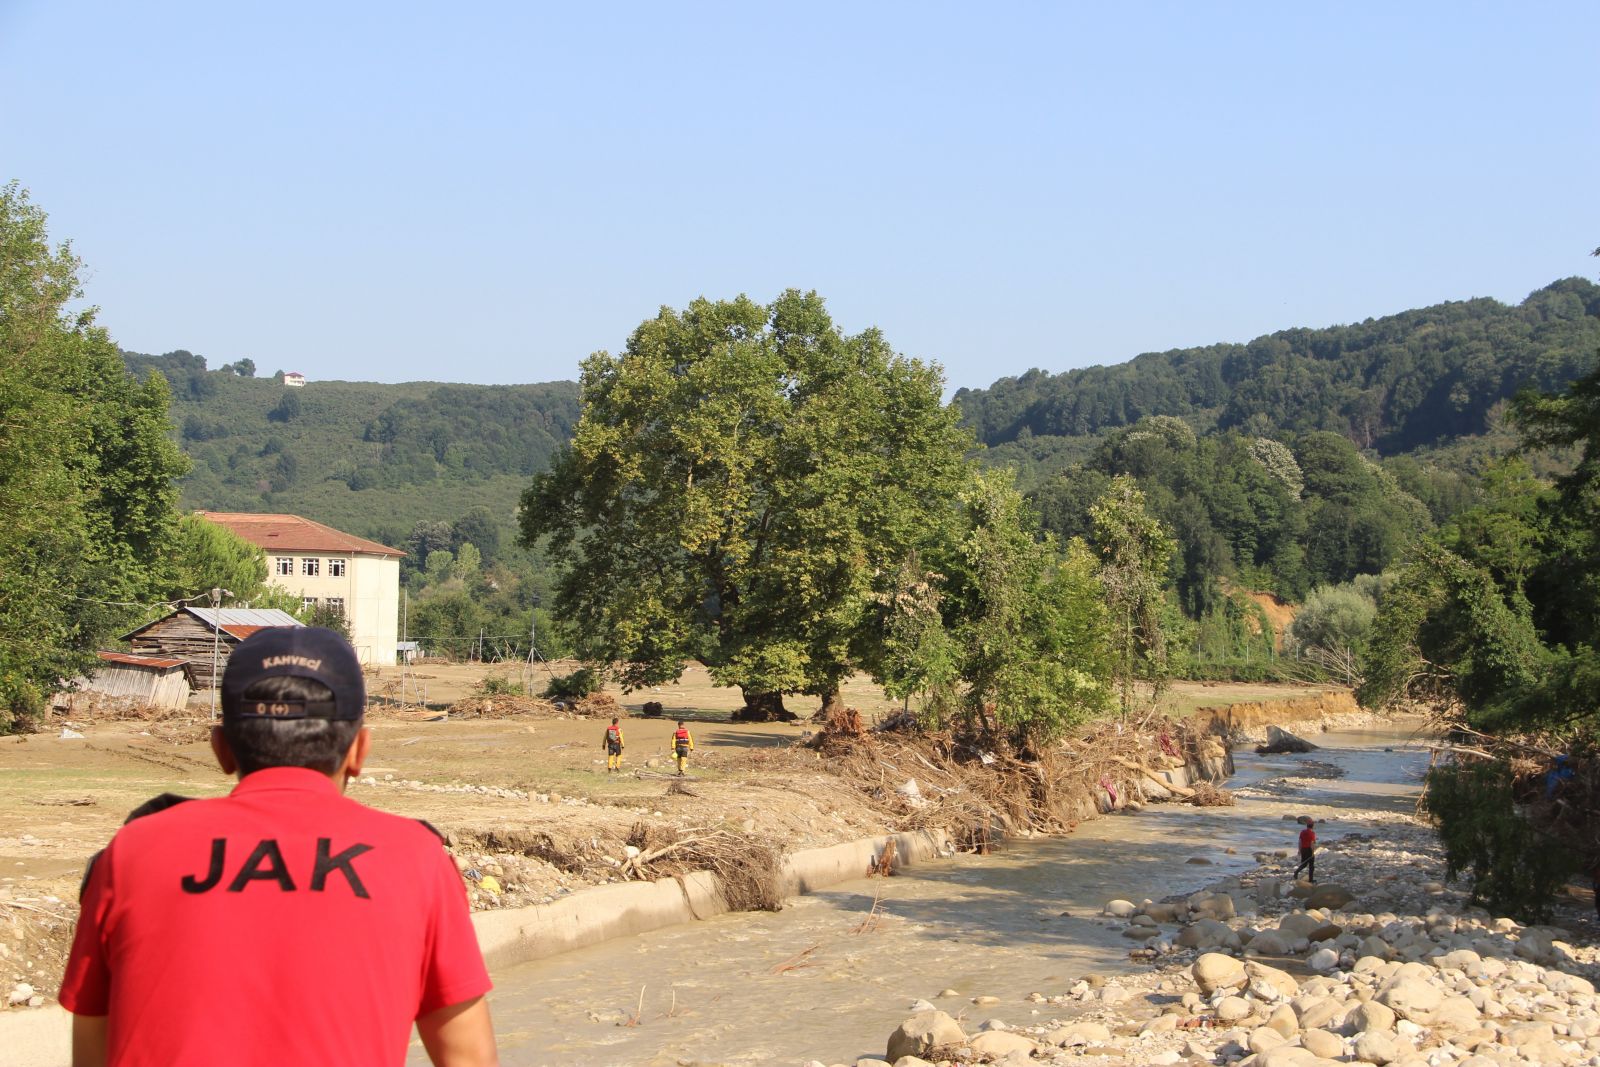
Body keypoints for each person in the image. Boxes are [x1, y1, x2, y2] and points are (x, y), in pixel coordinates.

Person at [59, 627, 498, 1067]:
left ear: (221, 749)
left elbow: (93, 1047)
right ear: (359, 751)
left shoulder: (134, 851)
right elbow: (469, 1058)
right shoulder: (415, 859)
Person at [1293, 818, 1317, 883]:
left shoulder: (1302, 832)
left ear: (1307, 825)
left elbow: (1300, 842)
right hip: (1309, 849)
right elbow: (1312, 843)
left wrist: (1299, 850)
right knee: (1311, 866)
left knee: (1303, 864)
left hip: (1303, 849)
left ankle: (1296, 872)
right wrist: (1313, 852)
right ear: (1313, 826)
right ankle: (1311, 880)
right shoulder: (1312, 833)